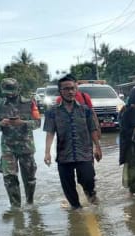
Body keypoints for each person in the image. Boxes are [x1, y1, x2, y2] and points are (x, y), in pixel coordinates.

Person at [43, 75, 102, 209]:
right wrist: (47, 153)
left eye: (73, 88)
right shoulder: (52, 112)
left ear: (76, 90)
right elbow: (50, 132)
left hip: (84, 153)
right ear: (60, 91)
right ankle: (76, 212)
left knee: (88, 179)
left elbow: (92, 129)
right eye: (66, 89)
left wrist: (97, 148)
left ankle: (92, 200)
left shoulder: (85, 110)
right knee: (68, 186)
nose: (70, 92)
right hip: (64, 155)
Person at [0, 78, 41, 207]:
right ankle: (15, 207)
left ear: (18, 89)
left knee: (29, 177)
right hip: (7, 147)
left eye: (12, 91)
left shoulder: (29, 103)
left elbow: (38, 123)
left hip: (26, 145)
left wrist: (23, 123)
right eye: (7, 92)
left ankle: (30, 203)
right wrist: (0, 124)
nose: (9, 95)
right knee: (9, 178)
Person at [55, 75, 101, 139]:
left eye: (74, 84)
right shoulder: (60, 99)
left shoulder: (85, 96)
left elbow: (92, 114)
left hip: (84, 133)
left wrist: (97, 128)